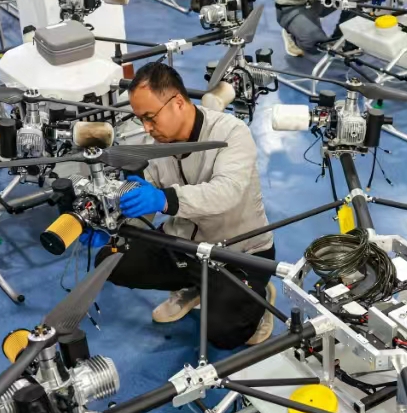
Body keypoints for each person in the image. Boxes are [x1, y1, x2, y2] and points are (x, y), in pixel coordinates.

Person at [94, 62, 277, 349]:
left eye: (150, 117)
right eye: (141, 119)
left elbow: (226, 192)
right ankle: (195, 287)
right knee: (111, 261)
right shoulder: (152, 142)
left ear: (178, 102)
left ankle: (259, 299)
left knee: (224, 334)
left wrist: (165, 199)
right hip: (183, 246)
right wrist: (112, 219)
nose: (146, 128)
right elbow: (144, 200)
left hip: (239, 252)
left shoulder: (231, 132)